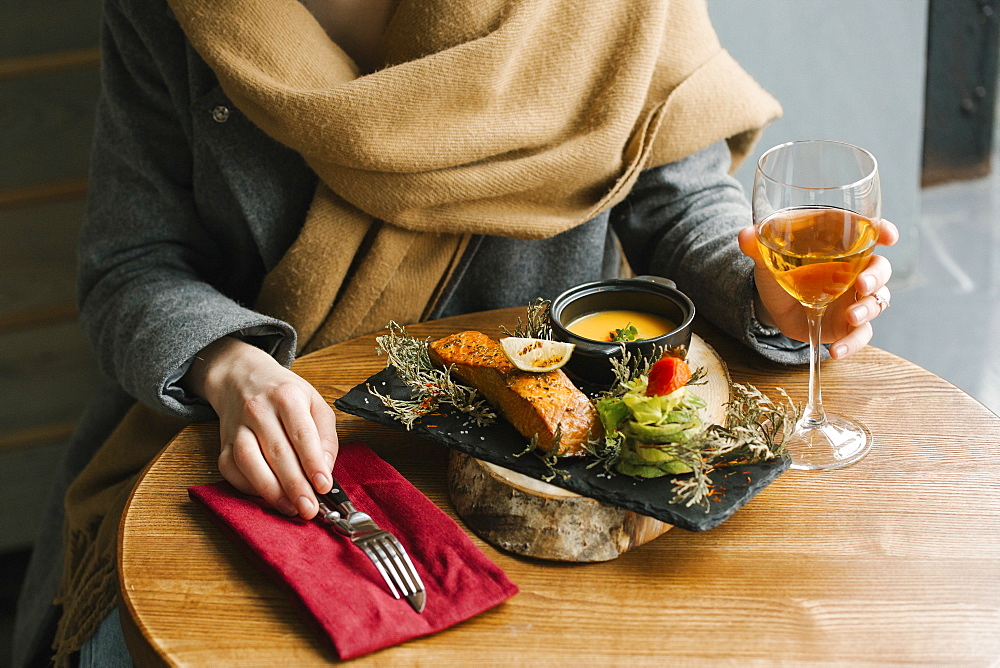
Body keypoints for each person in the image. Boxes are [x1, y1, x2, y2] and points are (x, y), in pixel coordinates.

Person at [13, 0, 896, 665]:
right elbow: (131, 264)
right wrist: (227, 364)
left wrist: (765, 296)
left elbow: (679, 200)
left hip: (552, 484)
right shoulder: (175, 13)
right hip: (267, 457)